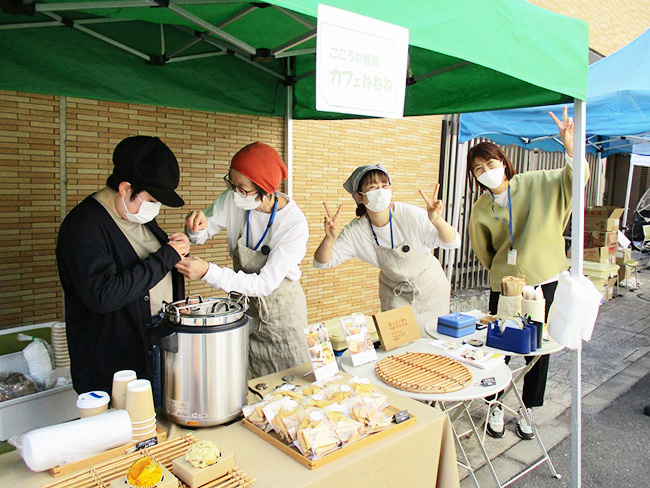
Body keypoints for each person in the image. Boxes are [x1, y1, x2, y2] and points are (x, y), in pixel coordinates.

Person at [468, 106, 589, 440]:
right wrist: (503, 269)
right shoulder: (481, 208)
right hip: (506, 285)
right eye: (479, 169)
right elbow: (483, 250)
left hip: (544, 279)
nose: (486, 172)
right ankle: (494, 406)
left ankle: (527, 410)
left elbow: (574, 180)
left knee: (537, 351)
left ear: (504, 164)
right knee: (498, 348)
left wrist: (569, 146)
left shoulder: (535, 183)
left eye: (491, 164)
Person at [56, 136, 189, 396]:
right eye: (151, 199)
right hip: (114, 367)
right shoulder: (82, 227)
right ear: (125, 188)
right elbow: (103, 295)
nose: (155, 208)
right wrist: (165, 257)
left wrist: (175, 250)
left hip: (153, 349)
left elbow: (156, 264)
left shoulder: (136, 216)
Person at [178, 142, 309, 378]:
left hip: (282, 313)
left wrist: (208, 272)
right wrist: (195, 227)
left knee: (290, 383)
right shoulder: (233, 199)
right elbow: (200, 234)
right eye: (231, 182)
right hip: (246, 310)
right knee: (248, 382)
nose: (234, 192)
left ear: (265, 188)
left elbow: (264, 284)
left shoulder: (294, 224)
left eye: (242, 188)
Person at [313, 164, 460, 337]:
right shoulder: (357, 231)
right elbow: (321, 263)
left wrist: (436, 220)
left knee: (434, 346)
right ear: (359, 196)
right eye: (373, 187)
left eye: (385, 185)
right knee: (400, 347)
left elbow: (453, 242)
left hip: (430, 291)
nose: (381, 191)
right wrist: (329, 239)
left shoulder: (409, 214)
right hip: (395, 295)